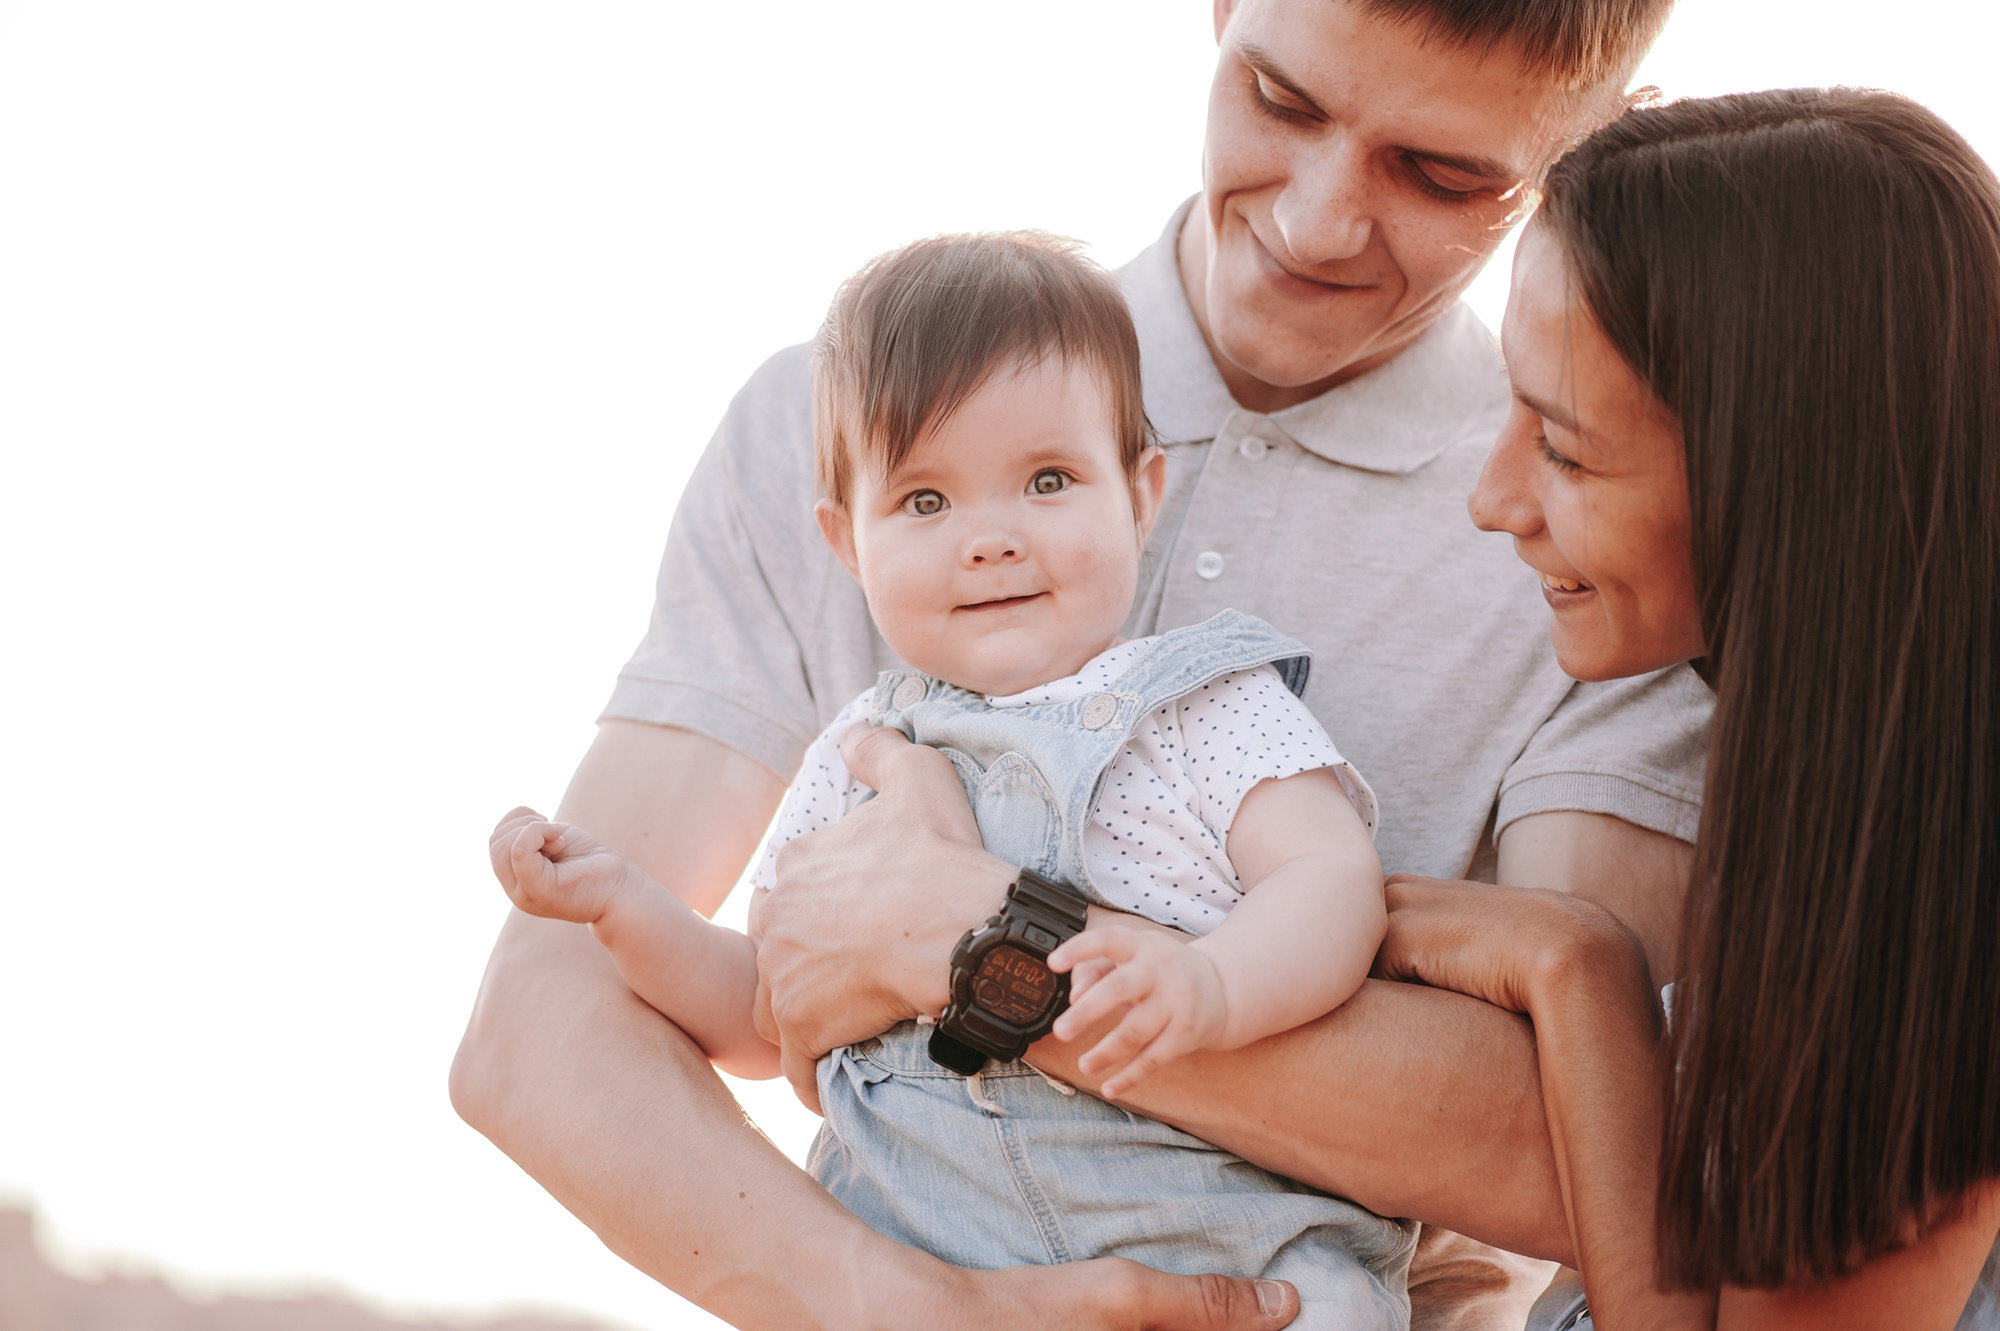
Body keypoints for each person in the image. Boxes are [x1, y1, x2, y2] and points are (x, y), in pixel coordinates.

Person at [451, 2, 1704, 1327]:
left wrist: (957, 933)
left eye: (1446, 175)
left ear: (1597, 140)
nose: (1318, 222)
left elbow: (1577, 1148)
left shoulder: (1594, 542)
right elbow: (539, 1034)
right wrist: (913, 1306)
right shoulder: (845, 427)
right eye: (1280, 100)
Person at [490, 231, 1410, 1326]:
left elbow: (1327, 879)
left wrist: (1216, 986)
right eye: (925, 502)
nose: (989, 538)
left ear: (1139, 492)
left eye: (1047, 480)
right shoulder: (858, 761)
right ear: (846, 541)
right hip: (935, 1267)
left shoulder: (1201, 702)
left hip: (1233, 1257)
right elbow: (762, 1007)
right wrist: (623, 903)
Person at [1373, 88, 2000, 1329]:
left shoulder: (1937, 889)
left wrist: (1571, 968)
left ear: (1785, 476)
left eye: (1562, 447)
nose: (1492, 498)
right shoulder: (1855, 756)